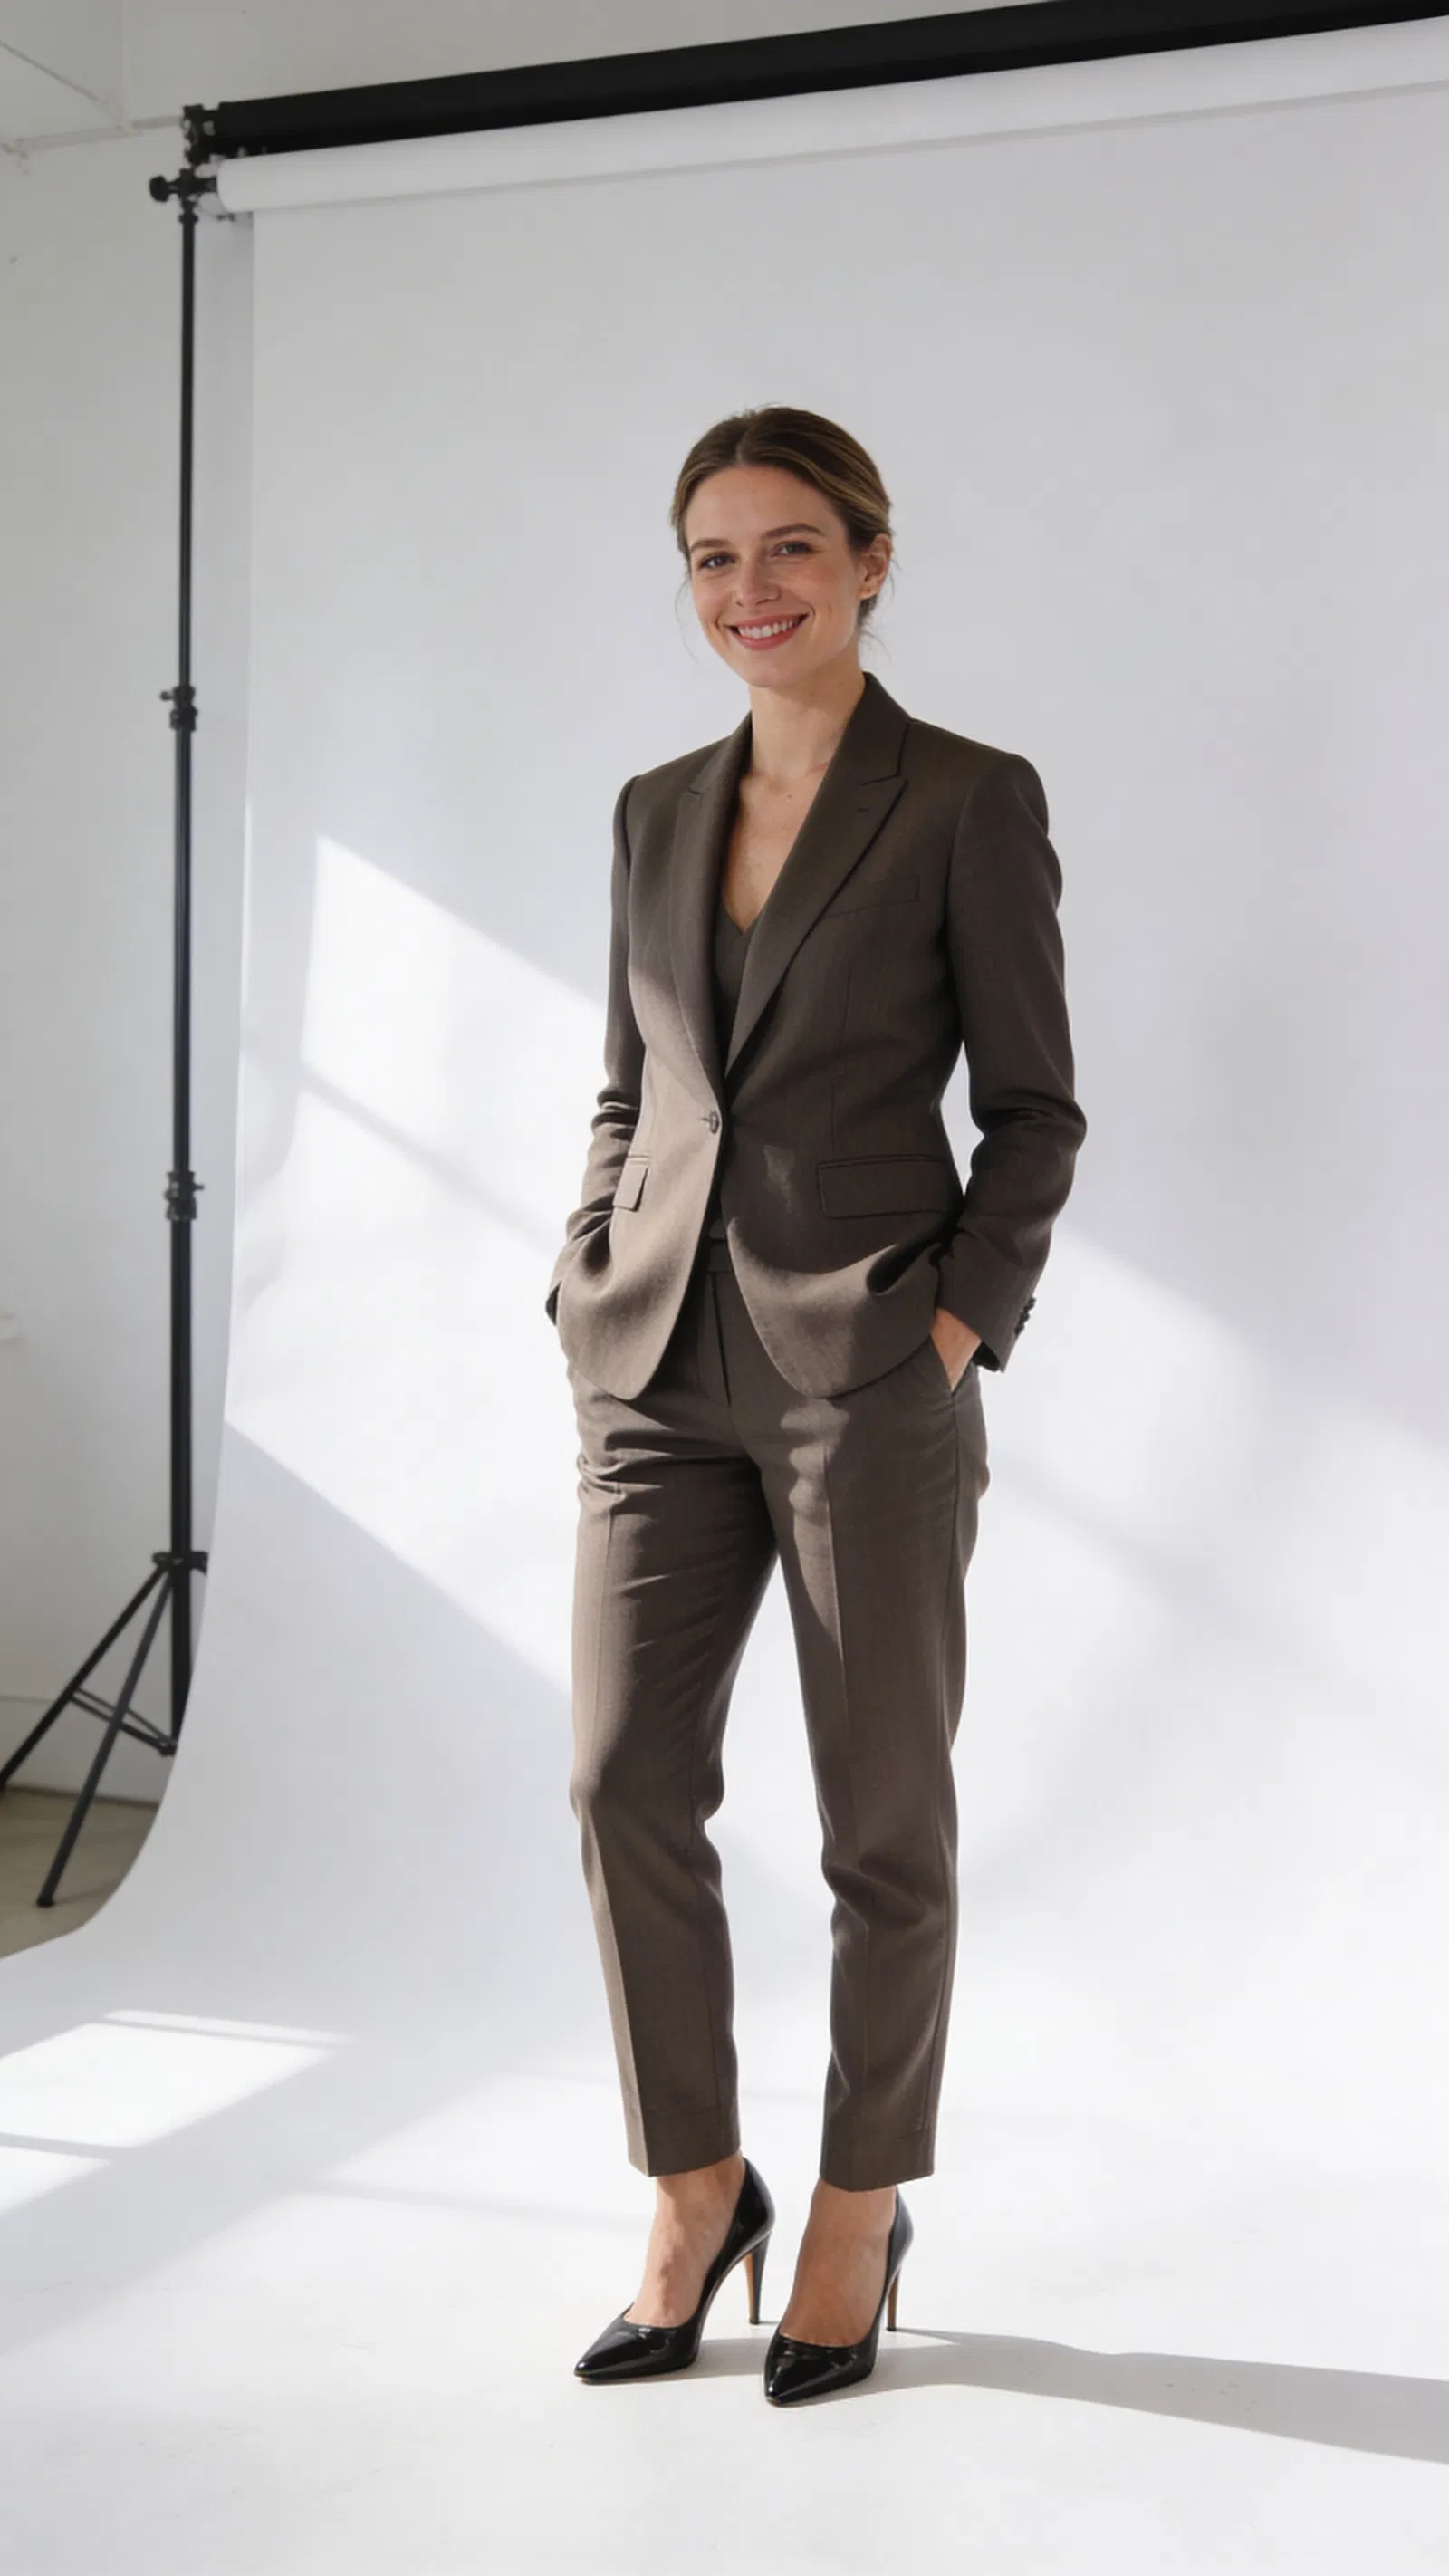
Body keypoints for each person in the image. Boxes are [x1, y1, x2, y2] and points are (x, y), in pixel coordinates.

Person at [546, 406, 1086, 2404]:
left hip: (863, 1369)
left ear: (869, 558)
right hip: (650, 1362)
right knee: (621, 1783)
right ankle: (698, 2189)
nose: (748, 589)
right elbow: (633, 1084)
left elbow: (1033, 1112)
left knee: (880, 1822)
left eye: (788, 547)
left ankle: (859, 2204)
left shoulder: (962, 798)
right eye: (712, 555)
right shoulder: (650, 808)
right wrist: (587, 1265)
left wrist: (948, 1333)